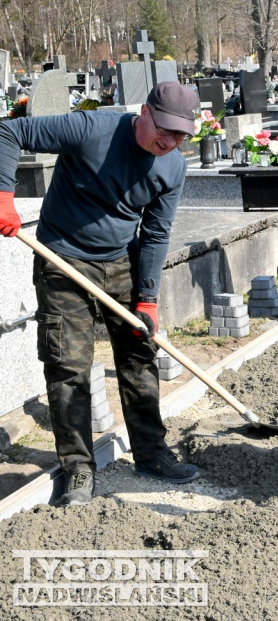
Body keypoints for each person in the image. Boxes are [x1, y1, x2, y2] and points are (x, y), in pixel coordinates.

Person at [0, 81, 202, 507]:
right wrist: (4, 195)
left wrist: (147, 298)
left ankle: (152, 454)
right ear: (144, 112)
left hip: (124, 263)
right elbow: (9, 131)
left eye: (180, 136)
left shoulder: (172, 168)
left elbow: (156, 232)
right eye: (164, 130)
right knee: (68, 366)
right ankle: (77, 468)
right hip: (62, 261)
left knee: (139, 356)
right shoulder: (92, 129)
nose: (169, 142)